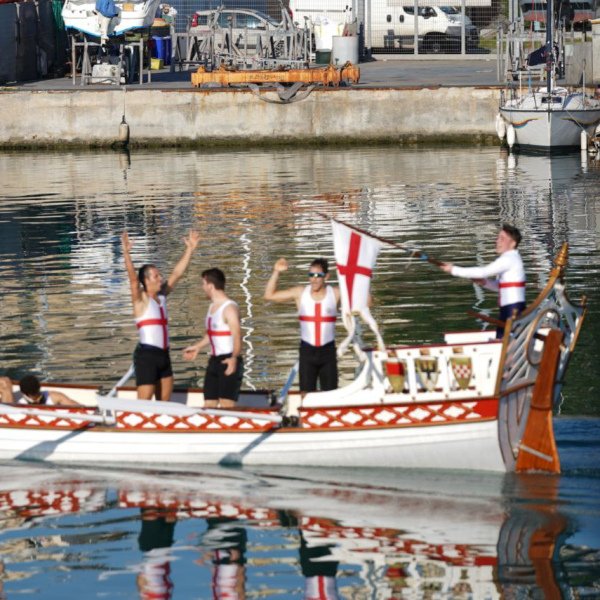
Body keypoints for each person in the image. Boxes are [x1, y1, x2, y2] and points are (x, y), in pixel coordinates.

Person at [122, 230, 200, 401]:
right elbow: (133, 281)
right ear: (147, 281)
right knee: (144, 405)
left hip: (164, 356)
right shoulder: (140, 300)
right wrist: (127, 254)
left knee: (164, 404)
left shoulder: (162, 296)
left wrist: (190, 250)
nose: (161, 278)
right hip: (147, 357)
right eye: (156, 276)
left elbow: (176, 274)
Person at [264, 258, 341, 395]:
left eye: (318, 276)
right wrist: (276, 272)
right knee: (305, 396)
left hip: (328, 353)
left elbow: (367, 302)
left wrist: (359, 276)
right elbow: (269, 295)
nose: (314, 279)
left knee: (331, 396)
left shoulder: (335, 293)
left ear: (326, 277)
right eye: (311, 275)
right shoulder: (300, 293)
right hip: (307, 352)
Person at [440, 224, 525, 338]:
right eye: (498, 237)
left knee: (505, 343)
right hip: (508, 309)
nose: (498, 241)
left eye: (502, 239)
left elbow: (483, 272)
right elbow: (499, 287)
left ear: (513, 243)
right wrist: (484, 283)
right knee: (501, 341)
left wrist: (453, 270)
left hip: (512, 310)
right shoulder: (511, 259)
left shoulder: (509, 259)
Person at [183, 268, 243, 409]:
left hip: (228, 359)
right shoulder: (212, 307)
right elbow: (213, 334)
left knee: (226, 404)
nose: (202, 288)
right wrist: (197, 347)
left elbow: (237, 335)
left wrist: (234, 358)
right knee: (209, 403)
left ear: (210, 286)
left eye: (203, 284)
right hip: (214, 361)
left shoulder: (230, 308)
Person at [0, 375, 79, 406]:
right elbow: (4, 381)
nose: (35, 400)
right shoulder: (11, 399)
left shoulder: (54, 397)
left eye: (35, 396)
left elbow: (79, 408)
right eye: (30, 396)